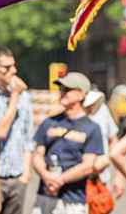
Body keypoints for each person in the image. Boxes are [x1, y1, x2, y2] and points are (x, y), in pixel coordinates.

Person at [31, 72, 103, 214]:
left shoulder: (92, 128)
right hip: (45, 195)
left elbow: (88, 166)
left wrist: (60, 180)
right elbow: (37, 155)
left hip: (73, 200)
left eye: (67, 89)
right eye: (61, 89)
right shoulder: (49, 122)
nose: (62, 93)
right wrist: (46, 176)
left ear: (81, 95)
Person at [0, 46, 34, 214]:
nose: (14, 71)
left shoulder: (24, 96)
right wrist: (15, 97)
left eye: (14, 66)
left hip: (18, 178)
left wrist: (25, 175)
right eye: (7, 67)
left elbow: (28, 138)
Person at [83, 89, 124, 197]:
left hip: (100, 181)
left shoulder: (102, 110)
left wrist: (119, 176)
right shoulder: (65, 117)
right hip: (73, 184)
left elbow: (113, 141)